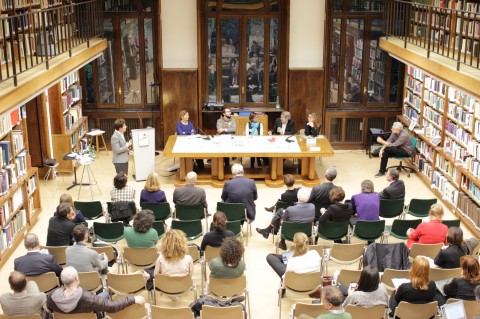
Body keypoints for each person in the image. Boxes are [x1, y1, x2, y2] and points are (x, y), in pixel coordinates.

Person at [47, 267, 144, 319]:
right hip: (92, 305)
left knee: (105, 294)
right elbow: (112, 307)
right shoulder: (89, 298)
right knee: (105, 295)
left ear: (63, 281)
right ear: (76, 278)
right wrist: (132, 299)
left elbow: (51, 311)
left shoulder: (51, 296)